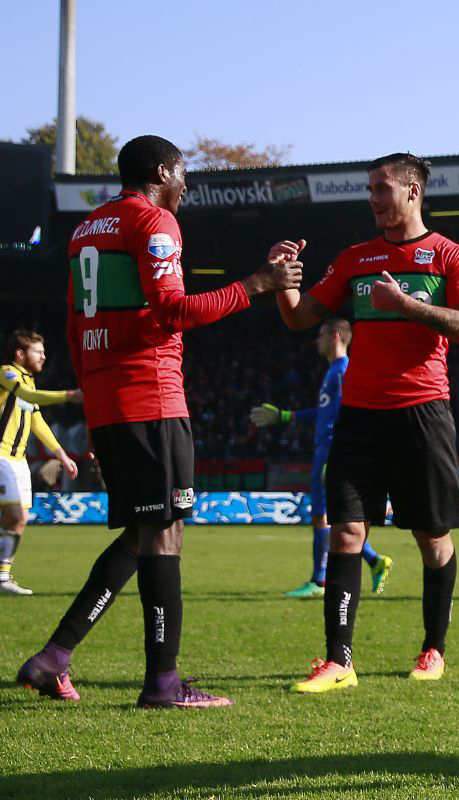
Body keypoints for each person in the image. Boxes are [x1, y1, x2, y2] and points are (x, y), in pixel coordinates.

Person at [16, 135, 300, 708]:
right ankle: (163, 684)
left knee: (144, 531)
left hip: (110, 398)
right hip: (150, 396)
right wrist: (257, 285)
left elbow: (73, 326)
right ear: (163, 171)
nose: (187, 185)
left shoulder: (85, 229)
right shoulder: (154, 223)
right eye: (184, 174)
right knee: (166, 528)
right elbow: (172, 311)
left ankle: (52, 659)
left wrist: (94, 410)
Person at [270, 152, 459, 691]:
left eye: (381, 189)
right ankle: (338, 661)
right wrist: (281, 280)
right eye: (369, 190)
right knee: (345, 532)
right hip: (360, 416)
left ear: (413, 191)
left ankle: (433, 649)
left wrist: (406, 304)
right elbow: (299, 317)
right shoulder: (356, 259)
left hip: (422, 412)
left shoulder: (451, 257)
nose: (372, 199)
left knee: (432, 540)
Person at [249, 318, 393, 597]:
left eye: (321, 335)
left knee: (324, 516)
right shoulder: (333, 372)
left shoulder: (342, 372)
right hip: (324, 449)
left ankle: (320, 580)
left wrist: (341, 452)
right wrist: (286, 416)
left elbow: (348, 413)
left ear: (335, 336)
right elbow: (324, 412)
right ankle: (375, 561)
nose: (317, 341)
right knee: (326, 516)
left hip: (331, 451)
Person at [0, 331, 83, 594]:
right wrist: (69, 395)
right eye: (38, 352)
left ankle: (3, 577)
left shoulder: (31, 382)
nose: (44, 357)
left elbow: (37, 421)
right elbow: (28, 395)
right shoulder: (7, 373)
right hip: (1, 455)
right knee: (13, 514)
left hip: (19, 459)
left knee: (21, 517)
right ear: (19, 354)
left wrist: (62, 454)